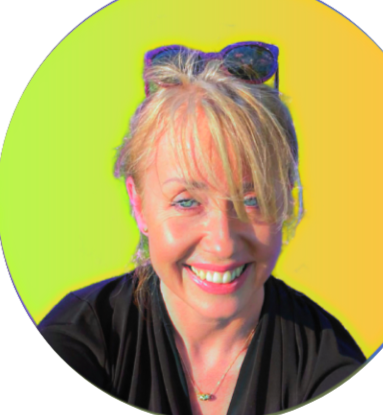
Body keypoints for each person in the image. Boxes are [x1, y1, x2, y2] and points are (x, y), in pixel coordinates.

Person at [38, 42, 366, 415]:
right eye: (186, 202)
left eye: (252, 200)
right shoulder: (81, 339)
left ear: (286, 202)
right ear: (139, 204)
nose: (222, 242)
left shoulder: (327, 363)